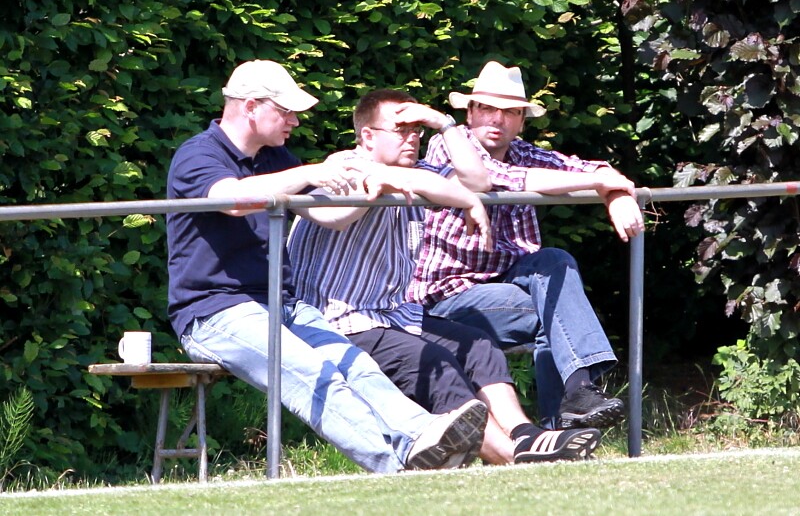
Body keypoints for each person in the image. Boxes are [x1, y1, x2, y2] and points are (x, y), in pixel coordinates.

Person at [166, 59, 489, 475]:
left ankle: (423, 436)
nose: (296, 121)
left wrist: (375, 189)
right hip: (213, 311)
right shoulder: (198, 153)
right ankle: (397, 470)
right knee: (314, 373)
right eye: (286, 111)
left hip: (281, 304)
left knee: (358, 366)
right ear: (250, 107)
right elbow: (233, 200)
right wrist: (311, 172)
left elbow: (330, 216)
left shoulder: (274, 156)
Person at [288, 88, 602, 466]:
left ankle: (527, 434)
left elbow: (476, 180)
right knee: (435, 363)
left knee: (478, 346)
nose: (412, 138)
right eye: (400, 130)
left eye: (416, 130)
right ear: (367, 136)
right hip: (336, 321)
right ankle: (512, 456)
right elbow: (339, 214)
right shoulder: (343, 167)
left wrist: (444, 125)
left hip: (393, 315)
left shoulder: (417, 173)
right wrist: (461, 199)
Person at [408, 61, 646, 429]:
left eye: (510, 112)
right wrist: (600, 186)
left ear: (522, 121)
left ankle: (576, 398)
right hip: (446, 298)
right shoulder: (448, 145)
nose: (497, 119)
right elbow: (493, 179)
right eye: (487, 108)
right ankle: (562, 423)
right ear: (470, 113)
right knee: (558, 316)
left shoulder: (522, 152)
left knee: (554, 261)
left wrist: (616, 194)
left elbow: (587, 168)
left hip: (507, 283)